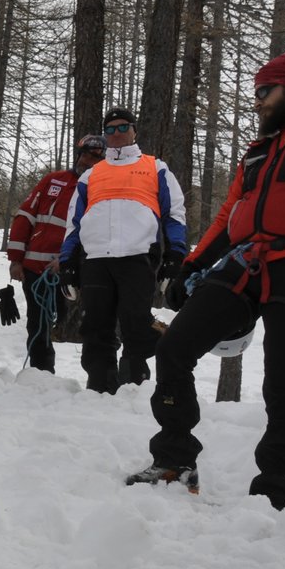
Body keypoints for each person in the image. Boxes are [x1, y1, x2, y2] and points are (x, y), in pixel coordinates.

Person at [128, 49, 285, 509]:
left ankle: (274, 486)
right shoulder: (259, 151)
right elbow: (228, 215)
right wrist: (193, 264)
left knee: (284, 379)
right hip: (246, 262)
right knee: (175, 347)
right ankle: (174, 459)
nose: (256, 102)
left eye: (264, 92)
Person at [56, 106, 188, 393]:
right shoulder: (91, 175)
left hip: (137, 255)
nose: (116, 134)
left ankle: (134, 386)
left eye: (122, 127)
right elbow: (74, 224)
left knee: (136, 321)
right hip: (96, 260)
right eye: (110, 129)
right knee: (95, 324)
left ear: (134, 131)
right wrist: (67, 264)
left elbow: (174, 214)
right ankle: (99, 385)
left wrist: (175, 255)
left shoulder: (156, 167)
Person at [6, 134, 107, 371]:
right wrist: (15, 260)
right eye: (84, 155)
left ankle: (97, 382)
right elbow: (25, 217)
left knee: (72, 325)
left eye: (94, 157)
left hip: (73, 272)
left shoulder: (101, 189)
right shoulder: (54, 180)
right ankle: (41, 374)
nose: (87, 161)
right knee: (37, 324)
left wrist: (68, 261)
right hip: (35, 270)